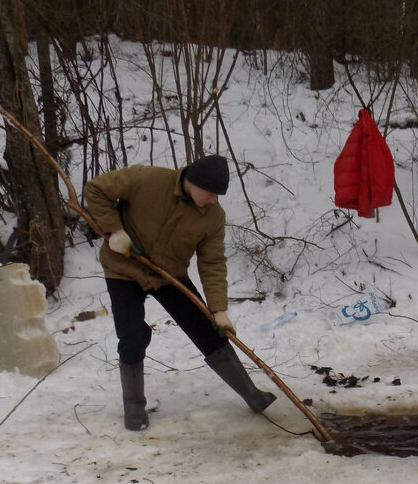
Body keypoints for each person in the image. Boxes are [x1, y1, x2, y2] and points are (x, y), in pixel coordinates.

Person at [84, 154, 275, 431]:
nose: (213, 200)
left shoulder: (212, 217)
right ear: (192, 181)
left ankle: (252, 395)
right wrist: (115, 230)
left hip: (169, 275)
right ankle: (134, 407)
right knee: (131, 336)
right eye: (210, 193)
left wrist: (218, 310)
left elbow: (212, 263)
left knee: (208, 331)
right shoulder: (147, 180)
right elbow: (96, 189)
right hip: (123, 268)